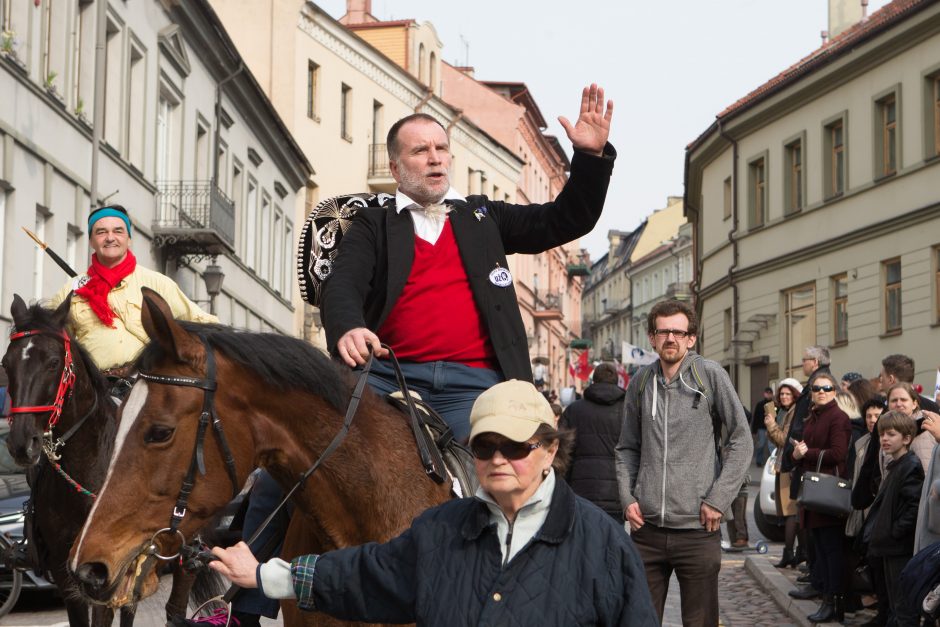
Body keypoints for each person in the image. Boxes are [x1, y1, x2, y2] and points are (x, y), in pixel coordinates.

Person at [208, 380, 659, 626]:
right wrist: (265, 574)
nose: (499, 458)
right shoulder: (442, 529)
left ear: (550, 451)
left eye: (515, 447)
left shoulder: (601, 542)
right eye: (485, 447)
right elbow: (365, 575)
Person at [321, 84, 615, 440]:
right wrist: (348, 326)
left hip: (474, 386)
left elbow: (564, 220)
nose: (435, 157)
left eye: (441, 148)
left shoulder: (483, 217)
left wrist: (589, 159)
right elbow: (343, 282)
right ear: (396, 168)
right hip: (389, 378)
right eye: (420, 150)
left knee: (501, 472)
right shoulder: (374, 223)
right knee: (319, 453)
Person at [615, 299, 752, 626]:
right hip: (646, 530)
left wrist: (718, 500)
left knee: (700, 622)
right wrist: (627, 498)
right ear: (652, 338)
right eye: (663, 332)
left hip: (698, 528)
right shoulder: (640, 383)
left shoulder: (709, 375)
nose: (670, 339)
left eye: (678, 332)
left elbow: (741, 439)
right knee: (639, 620)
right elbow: (626, 448)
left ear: (691, 338)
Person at [48, 204, 216, 376]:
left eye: (118, 231)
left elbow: (206, 325)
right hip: (96, 389)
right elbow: (47, 340)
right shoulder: (72, 290)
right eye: (101, 232)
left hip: (146, 386)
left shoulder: (157, 284)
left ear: (129, 239)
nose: (110, 238)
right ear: (91, 241)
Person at [788, 372, 852, 623]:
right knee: (821, 550)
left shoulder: (838, 417)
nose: (821, 392)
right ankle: (825, 596)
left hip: (827, 493)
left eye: (826, 388)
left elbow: (838, 453)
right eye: (816, 388)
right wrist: (797, 454)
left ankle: (834, 603)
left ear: (834, 391)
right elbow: (803, 450)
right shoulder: (813, 416)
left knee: (831, 551)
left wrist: (806, 452)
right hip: (813, 492)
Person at [864, 411, 925, 626]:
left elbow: (913, 507)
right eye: (882, 435)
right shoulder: (897, 465)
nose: (884, 439)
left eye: (891, 434)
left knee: (902, 606)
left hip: (898, 548)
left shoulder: (910, 466)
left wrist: (894, 532)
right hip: (889, 547)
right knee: (893, 604)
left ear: (906, 438)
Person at [559, 361, 625, 520]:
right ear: (617, 382)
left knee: (584, 541)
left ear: (593, 381)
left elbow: (561, 451)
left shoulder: (573, 410)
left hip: (581, 491)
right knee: (614, 541)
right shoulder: (628, 410)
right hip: (617, 492)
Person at [764, 377, 804, 568]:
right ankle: (794, 553)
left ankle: (790, 553)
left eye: (788, 393)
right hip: (784, 465)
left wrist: (771, 424)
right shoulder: (787, 412)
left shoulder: (794, 412)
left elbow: (783, 440)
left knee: (791, 513)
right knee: (790, 513)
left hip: (790, 468)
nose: (784, 396)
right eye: (782, 393)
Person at [752, 386, 774, 466]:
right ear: (764, 394)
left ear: (772, 394)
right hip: (761, 428)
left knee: (771, 446)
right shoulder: (760, 404)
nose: (768, 395)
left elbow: (777, 417)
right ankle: (759, 460)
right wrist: (754, 430)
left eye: (770, 393)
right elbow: (756, 417)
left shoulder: (774, 404)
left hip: (771, 427)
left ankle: (772, 462)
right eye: (767, 393)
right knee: (761, 444)